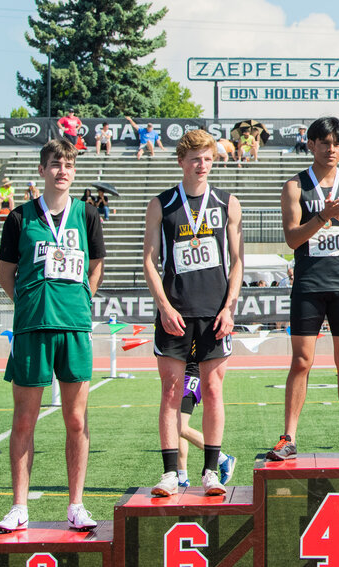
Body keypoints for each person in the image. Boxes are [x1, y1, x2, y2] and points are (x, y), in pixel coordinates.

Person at [0, 139, 105, 532]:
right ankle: (19, 506)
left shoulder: (87, 214)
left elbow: (95, 266)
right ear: (42, 170)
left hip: (73, 326)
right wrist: (30, 302)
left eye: (69, 165)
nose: (63, 171)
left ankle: (76, 504)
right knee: (24, 420)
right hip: (32, 327)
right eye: (56, 164)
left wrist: (81, 299)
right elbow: (7, 274)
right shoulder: (20, 218)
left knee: (76, 420)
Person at [142, 129, 243, 497]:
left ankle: (212, 472)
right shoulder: (162, 204)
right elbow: (149, 262)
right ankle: (171, 472)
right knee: (171, 392)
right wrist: (164, 306)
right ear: (182, 161)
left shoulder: (228, 203)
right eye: (196, 159)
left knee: (214, 391)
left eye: (209, 158)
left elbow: (237, 262)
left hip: (215, 314)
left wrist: (230, 308)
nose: (203, 165)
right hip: (176, 313)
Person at [266, 117, 339, 462]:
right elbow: (292, 238)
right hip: (309, 284)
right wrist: (323, 217)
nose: (332, 150)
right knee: (301, 360)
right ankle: (289, 436)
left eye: (338, 144)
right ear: (311, 145)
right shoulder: (294, 187)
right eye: (325, 143)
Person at [177, 361, 235, 488]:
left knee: (179, 426)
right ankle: (182, 478)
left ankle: (222, 458)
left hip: (191, 375)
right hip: (180, 376)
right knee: (178, 430)